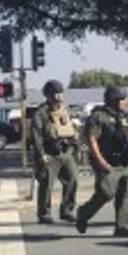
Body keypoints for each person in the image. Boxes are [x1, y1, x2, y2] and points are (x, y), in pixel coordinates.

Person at [76, 86, 128, 238]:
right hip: (107, 161)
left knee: (126, 193)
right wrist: (100, 161)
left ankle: (122, 226)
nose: (121, 103)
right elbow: (92, 139)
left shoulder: (124, 116)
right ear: (110, 100)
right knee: (106, 193)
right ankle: (83, 213)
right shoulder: (98, 116)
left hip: (124, 162)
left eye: (122, 100)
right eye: (118, 100)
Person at [32, 79, 79, 225]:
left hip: (66, 152)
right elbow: (36, 135)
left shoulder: (65, 111)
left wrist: (75, 147)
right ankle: (44, 213)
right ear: (47, 95)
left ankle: (67, 210)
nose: (58, 96)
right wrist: (41, 154)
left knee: (73, 179)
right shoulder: (41, 113)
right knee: (46, 184)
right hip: (49, 153)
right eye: (54, 93)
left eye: (60, 93)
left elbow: (72, 129)